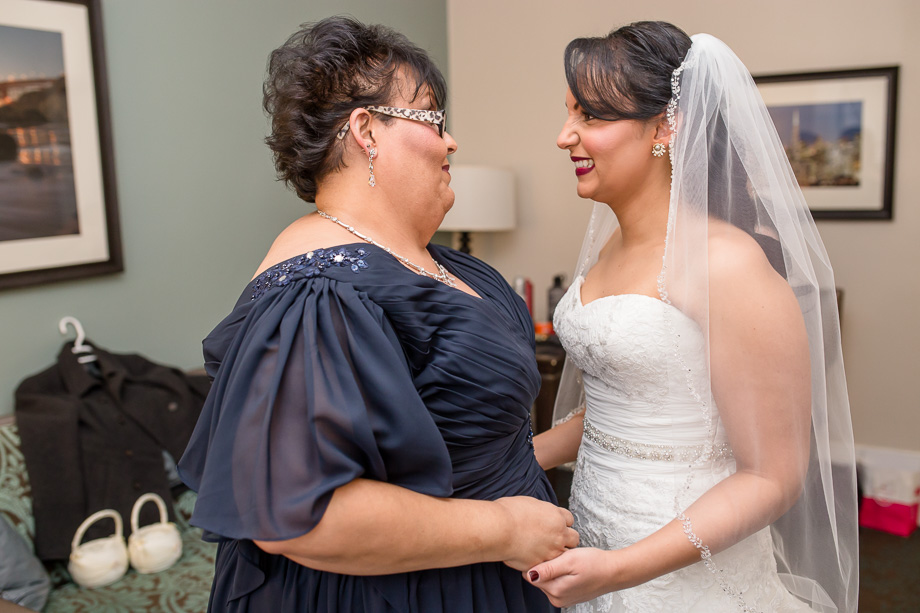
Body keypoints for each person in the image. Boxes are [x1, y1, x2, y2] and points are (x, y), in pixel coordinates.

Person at [177, 16, 577, 613]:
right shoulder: (317, 289)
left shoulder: (447, 265)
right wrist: (507, 530)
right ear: (366, 130)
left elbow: (467, 443)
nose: (451, 143)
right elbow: (298, 515)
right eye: (435, 121)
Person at [527, 22, 858, 612]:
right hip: (594, 536)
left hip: (678, 571)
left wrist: (618, 570)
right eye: (569, 114)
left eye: (592, 117)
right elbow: (627, 401)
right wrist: (528, 455)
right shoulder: (611, 249)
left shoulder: (725, 266)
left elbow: (773, 477)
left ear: (665, 126)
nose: (564, 137)